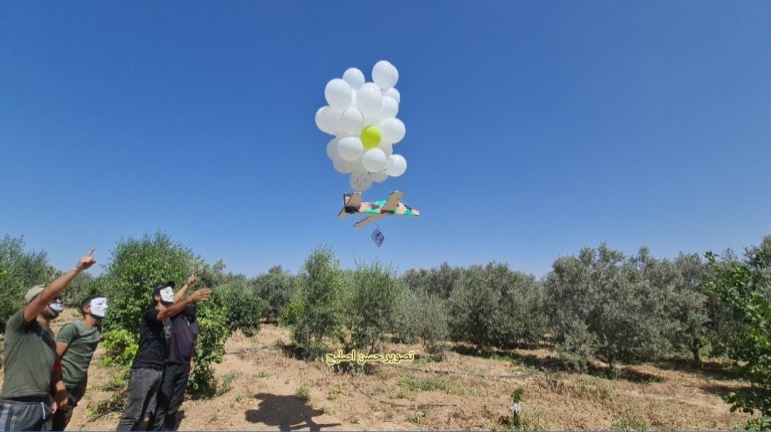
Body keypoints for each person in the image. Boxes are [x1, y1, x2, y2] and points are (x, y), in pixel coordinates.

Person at [0, 250, 96, 431]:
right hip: (18, 404)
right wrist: (77, 269)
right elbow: (46, 294)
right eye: (52, 298)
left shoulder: (50, 336)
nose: (56, 300)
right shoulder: (19, 324)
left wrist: (59, 390)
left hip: (42, 404)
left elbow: (54, 368)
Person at [115, 275, 209, 431]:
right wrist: (190, 298)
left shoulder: (167, 315)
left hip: (157, 370)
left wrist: (187, 285)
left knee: (143, 413)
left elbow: (173, 303)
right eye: (166, 292)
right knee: (133, 415)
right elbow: (168, 310)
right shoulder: (151, 314)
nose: (171, 294)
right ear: (156, 297)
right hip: (144, 369)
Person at [51, 295, 109, 431]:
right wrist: (58, 386)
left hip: (75, 389)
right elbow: (54, 357)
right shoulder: (72, 328)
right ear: (87, 308)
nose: (105, 307)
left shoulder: (97, 330)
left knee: (60, 424)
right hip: (60, 386)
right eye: (100, 304)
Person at [148, 303, 200, 430]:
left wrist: (191, 360)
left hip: (184, 365)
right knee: (163, 397)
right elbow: (166, 310)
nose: (191, 307)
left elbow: (192, 342)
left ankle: (168, 427)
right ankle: (155, 427)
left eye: (194, 305)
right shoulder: (176, 318)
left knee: (177, 399)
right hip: (170, 363)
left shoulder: (195, 323)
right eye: (189, 304)